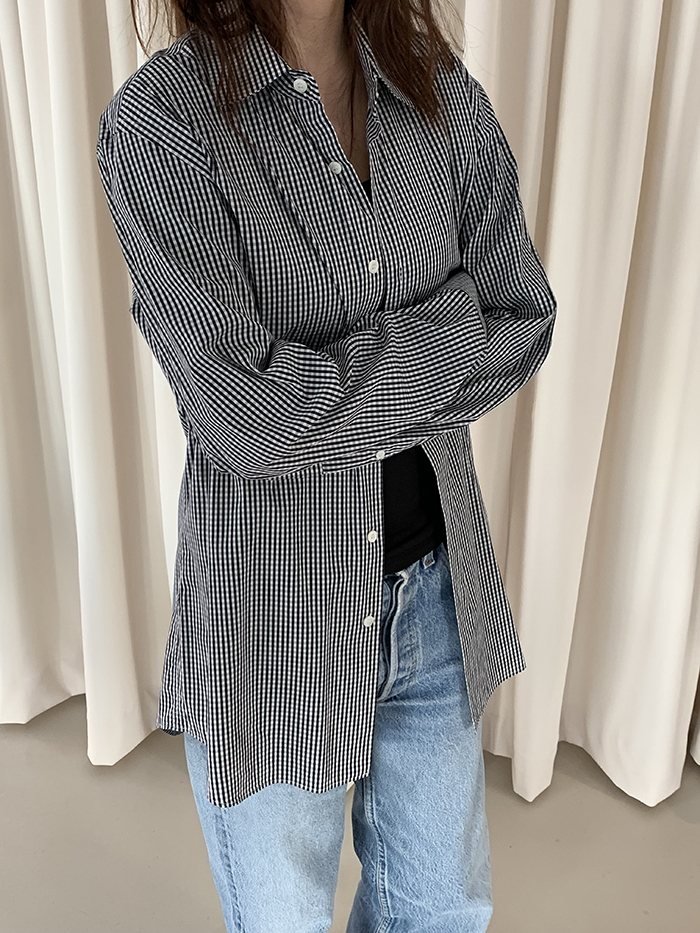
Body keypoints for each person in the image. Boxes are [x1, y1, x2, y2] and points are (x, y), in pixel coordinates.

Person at [96, 1, 557, 930]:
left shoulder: (434, 86)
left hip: (436, 594)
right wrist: (446, 330)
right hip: (271, 616)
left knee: (444, 912)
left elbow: (522, 318)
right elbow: (250, 421)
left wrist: (324, 378)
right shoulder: (162, 124)